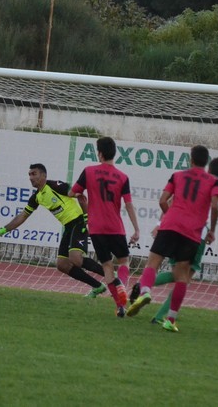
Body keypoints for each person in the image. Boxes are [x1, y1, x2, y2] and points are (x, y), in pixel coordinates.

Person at [127, 145, 218, 332]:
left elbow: (163, 200)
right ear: (206, 162)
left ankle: (145, 292)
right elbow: (215, 206)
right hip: (192, 233)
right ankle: (170, 319)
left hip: (170, 225)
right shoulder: (214, 182)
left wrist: (170, 215)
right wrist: (211, 230)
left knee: (152, 263)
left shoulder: (177, 176)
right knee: (182, 276)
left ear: (191, 159)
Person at [0, 163, 109, 296]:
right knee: (62, 265)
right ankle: (98, 286)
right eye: (29, 175)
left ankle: (112, 275)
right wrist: (1, 231)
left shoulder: (55, 185)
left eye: (34, 174)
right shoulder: (36, 197)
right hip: (68, 227)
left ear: (43, 175)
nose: (31, 178)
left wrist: (86, 218)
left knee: (76, 259)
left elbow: (80, 196)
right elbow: (22, 216)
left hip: (78, 222)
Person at [70, 136, 141, 317]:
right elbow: (129, 204)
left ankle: (120, 306)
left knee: (107, 266)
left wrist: (79, 195)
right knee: (124, 261)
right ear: (114, 154)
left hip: (96, 228)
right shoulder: (123, 177)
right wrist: (136, 229)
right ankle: (122, 285)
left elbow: (72, 192)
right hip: (115, 227)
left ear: (100, 153)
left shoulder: (88, 171)